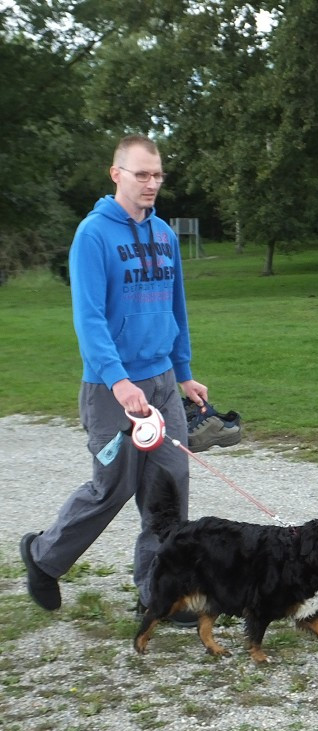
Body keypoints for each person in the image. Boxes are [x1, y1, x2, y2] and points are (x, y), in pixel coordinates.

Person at [19, 134, 207, 621]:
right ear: (116, 173)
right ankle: (43, 557)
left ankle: (156, 590)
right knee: (113, 486)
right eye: (141, 174)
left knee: (170, 484)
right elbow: (90, 318)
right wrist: (117, 379)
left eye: (158, 174)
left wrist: (184, 373)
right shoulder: (93, 234)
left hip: (162, 380)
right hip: (111, 389)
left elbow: (176, 307)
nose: (151, 183)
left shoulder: (164, 234)